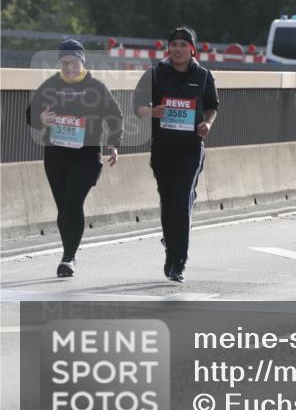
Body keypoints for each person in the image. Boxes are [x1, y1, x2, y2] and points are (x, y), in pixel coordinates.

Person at [25, 39, 122, 277]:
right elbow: (31, 114)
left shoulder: (96, 87)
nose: (69, 67)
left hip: (87, 153)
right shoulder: (50, 86)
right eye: (65, 63)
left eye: (74, 62)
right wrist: (41, 120)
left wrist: (113, 142)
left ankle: (68, 258)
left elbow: (115, 116)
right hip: (56, 154)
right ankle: (70, 252)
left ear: (82, 61)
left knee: (73, 201)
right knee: (63, 208)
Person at [133, 28, 219, 282]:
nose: (178, 49)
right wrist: (151, 112)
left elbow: (213, 106)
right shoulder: (156, 74)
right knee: (169, 202)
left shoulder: (203, 76)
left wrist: (208, 124)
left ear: (192, 49)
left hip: (191, 149)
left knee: (181, 201)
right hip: (163, 149)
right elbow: (136, 106)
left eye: (183, 44)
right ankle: (171, 249)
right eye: (174, 45)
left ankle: (177, 264)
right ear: (168, 49)